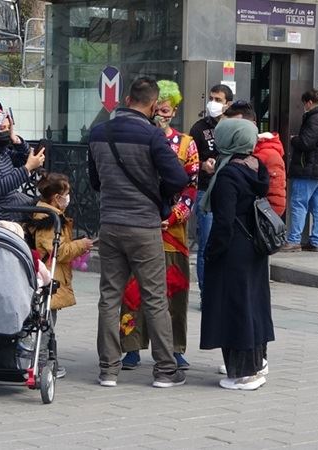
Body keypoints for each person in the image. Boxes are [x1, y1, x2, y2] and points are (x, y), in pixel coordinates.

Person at [88, 76, 190, 388]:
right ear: (151, 104)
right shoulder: (152, 136)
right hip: (144, 227)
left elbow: (94, 182)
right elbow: (178, 178)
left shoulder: (98, 132)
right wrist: (157, 193)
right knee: (155, 298)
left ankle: (108, 370)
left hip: (111, 225)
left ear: (128, 98)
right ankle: (164, 371)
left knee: (109, 297)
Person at [119, 80, 199, 371]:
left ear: (174, 110)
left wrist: (176, 215)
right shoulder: (140, 137)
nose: (162, 115)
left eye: (167, 110)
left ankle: (175, 347)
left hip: (173, 231)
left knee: (174, 289)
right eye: (158, 110)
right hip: (141, 223)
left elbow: (191, 186)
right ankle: (130, 346)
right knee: (133, 288)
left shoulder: (187, 144)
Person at [198, 118, 274, 391]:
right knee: (252, 304)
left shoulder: (228, 174)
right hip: (254, 247)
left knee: (235, 308)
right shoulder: (256, 165)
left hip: (234, 250)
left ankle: (244, 374)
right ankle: (257, 363)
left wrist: (211, 252)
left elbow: (224, 221)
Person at [27, 172, 95, 379]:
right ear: (57, 197)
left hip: (49, 275)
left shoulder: (44, 213)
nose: (69, 198)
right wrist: (82, 245)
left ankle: (47, 360)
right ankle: (41, 363)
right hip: (48, 278)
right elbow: (60, 251)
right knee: (45, 321)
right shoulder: (49, 219)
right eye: (67, 193)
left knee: (46, 320)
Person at [189, 84, 233, 306]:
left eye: (219, 99)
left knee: (227, 241)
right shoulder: (199, 128)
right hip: (206, 190)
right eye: (212, 98)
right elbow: (189, 158)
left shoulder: (234, 125)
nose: (213, 103)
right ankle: (207, 292)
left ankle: (223, 289)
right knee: (206, 242)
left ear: (228, 104)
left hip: (229, 192)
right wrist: (202, 164)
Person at [281, 89, 318, 252]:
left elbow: (306, 143)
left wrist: (294, 140)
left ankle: (293, 240)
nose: (304, 107)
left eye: (304, 104)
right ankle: (316, 241)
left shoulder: (315, 119)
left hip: (309, 169)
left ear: (309, 102)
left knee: (299, 204)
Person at [221, 100, 286, 217]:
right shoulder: (230, 151)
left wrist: (261, 225)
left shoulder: (270, 155)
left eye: (238, 125)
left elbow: (277, 201)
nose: (234, 131)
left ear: (253, 125)